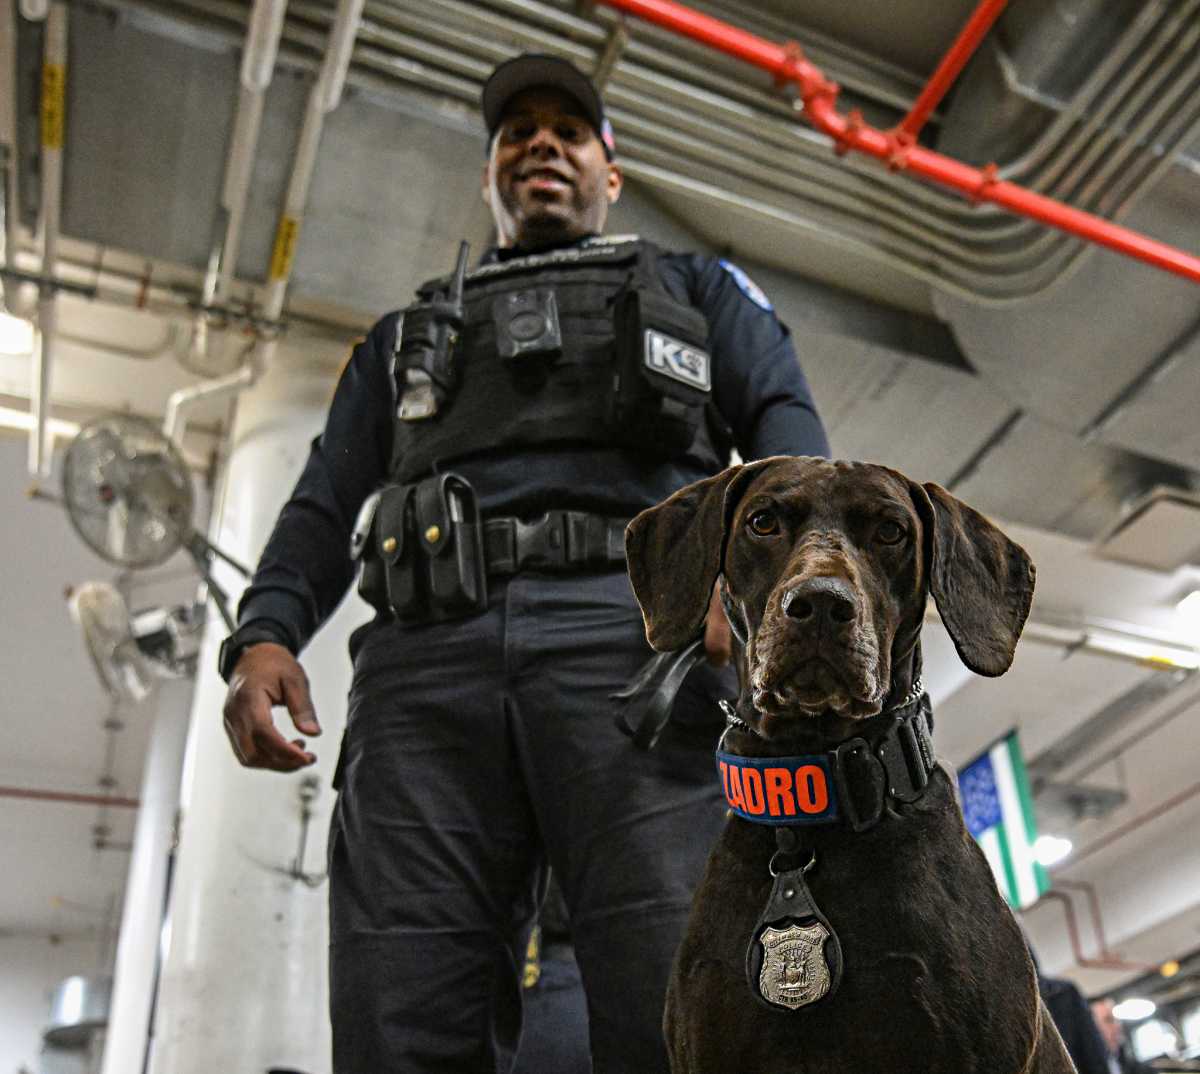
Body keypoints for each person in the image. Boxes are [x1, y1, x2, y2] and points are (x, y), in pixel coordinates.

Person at [217, 52, 828, 1073]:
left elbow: (787, 437)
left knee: (679, 988)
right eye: (516, 132)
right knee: (400, 1003)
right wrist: (265, 631)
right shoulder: (405, 333)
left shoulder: (698, 288)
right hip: (427, 667)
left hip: (639, 650)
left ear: (610, 172)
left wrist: (751, 577)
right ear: (492, 174)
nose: (540, 143)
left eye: (569, 131)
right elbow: (325, 500)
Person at [1092, 998, 1157, 1074]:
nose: (1117, 1026)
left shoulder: (1134, 1067)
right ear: (1092, 1027)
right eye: (1108, 1020)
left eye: (1117, 1019)